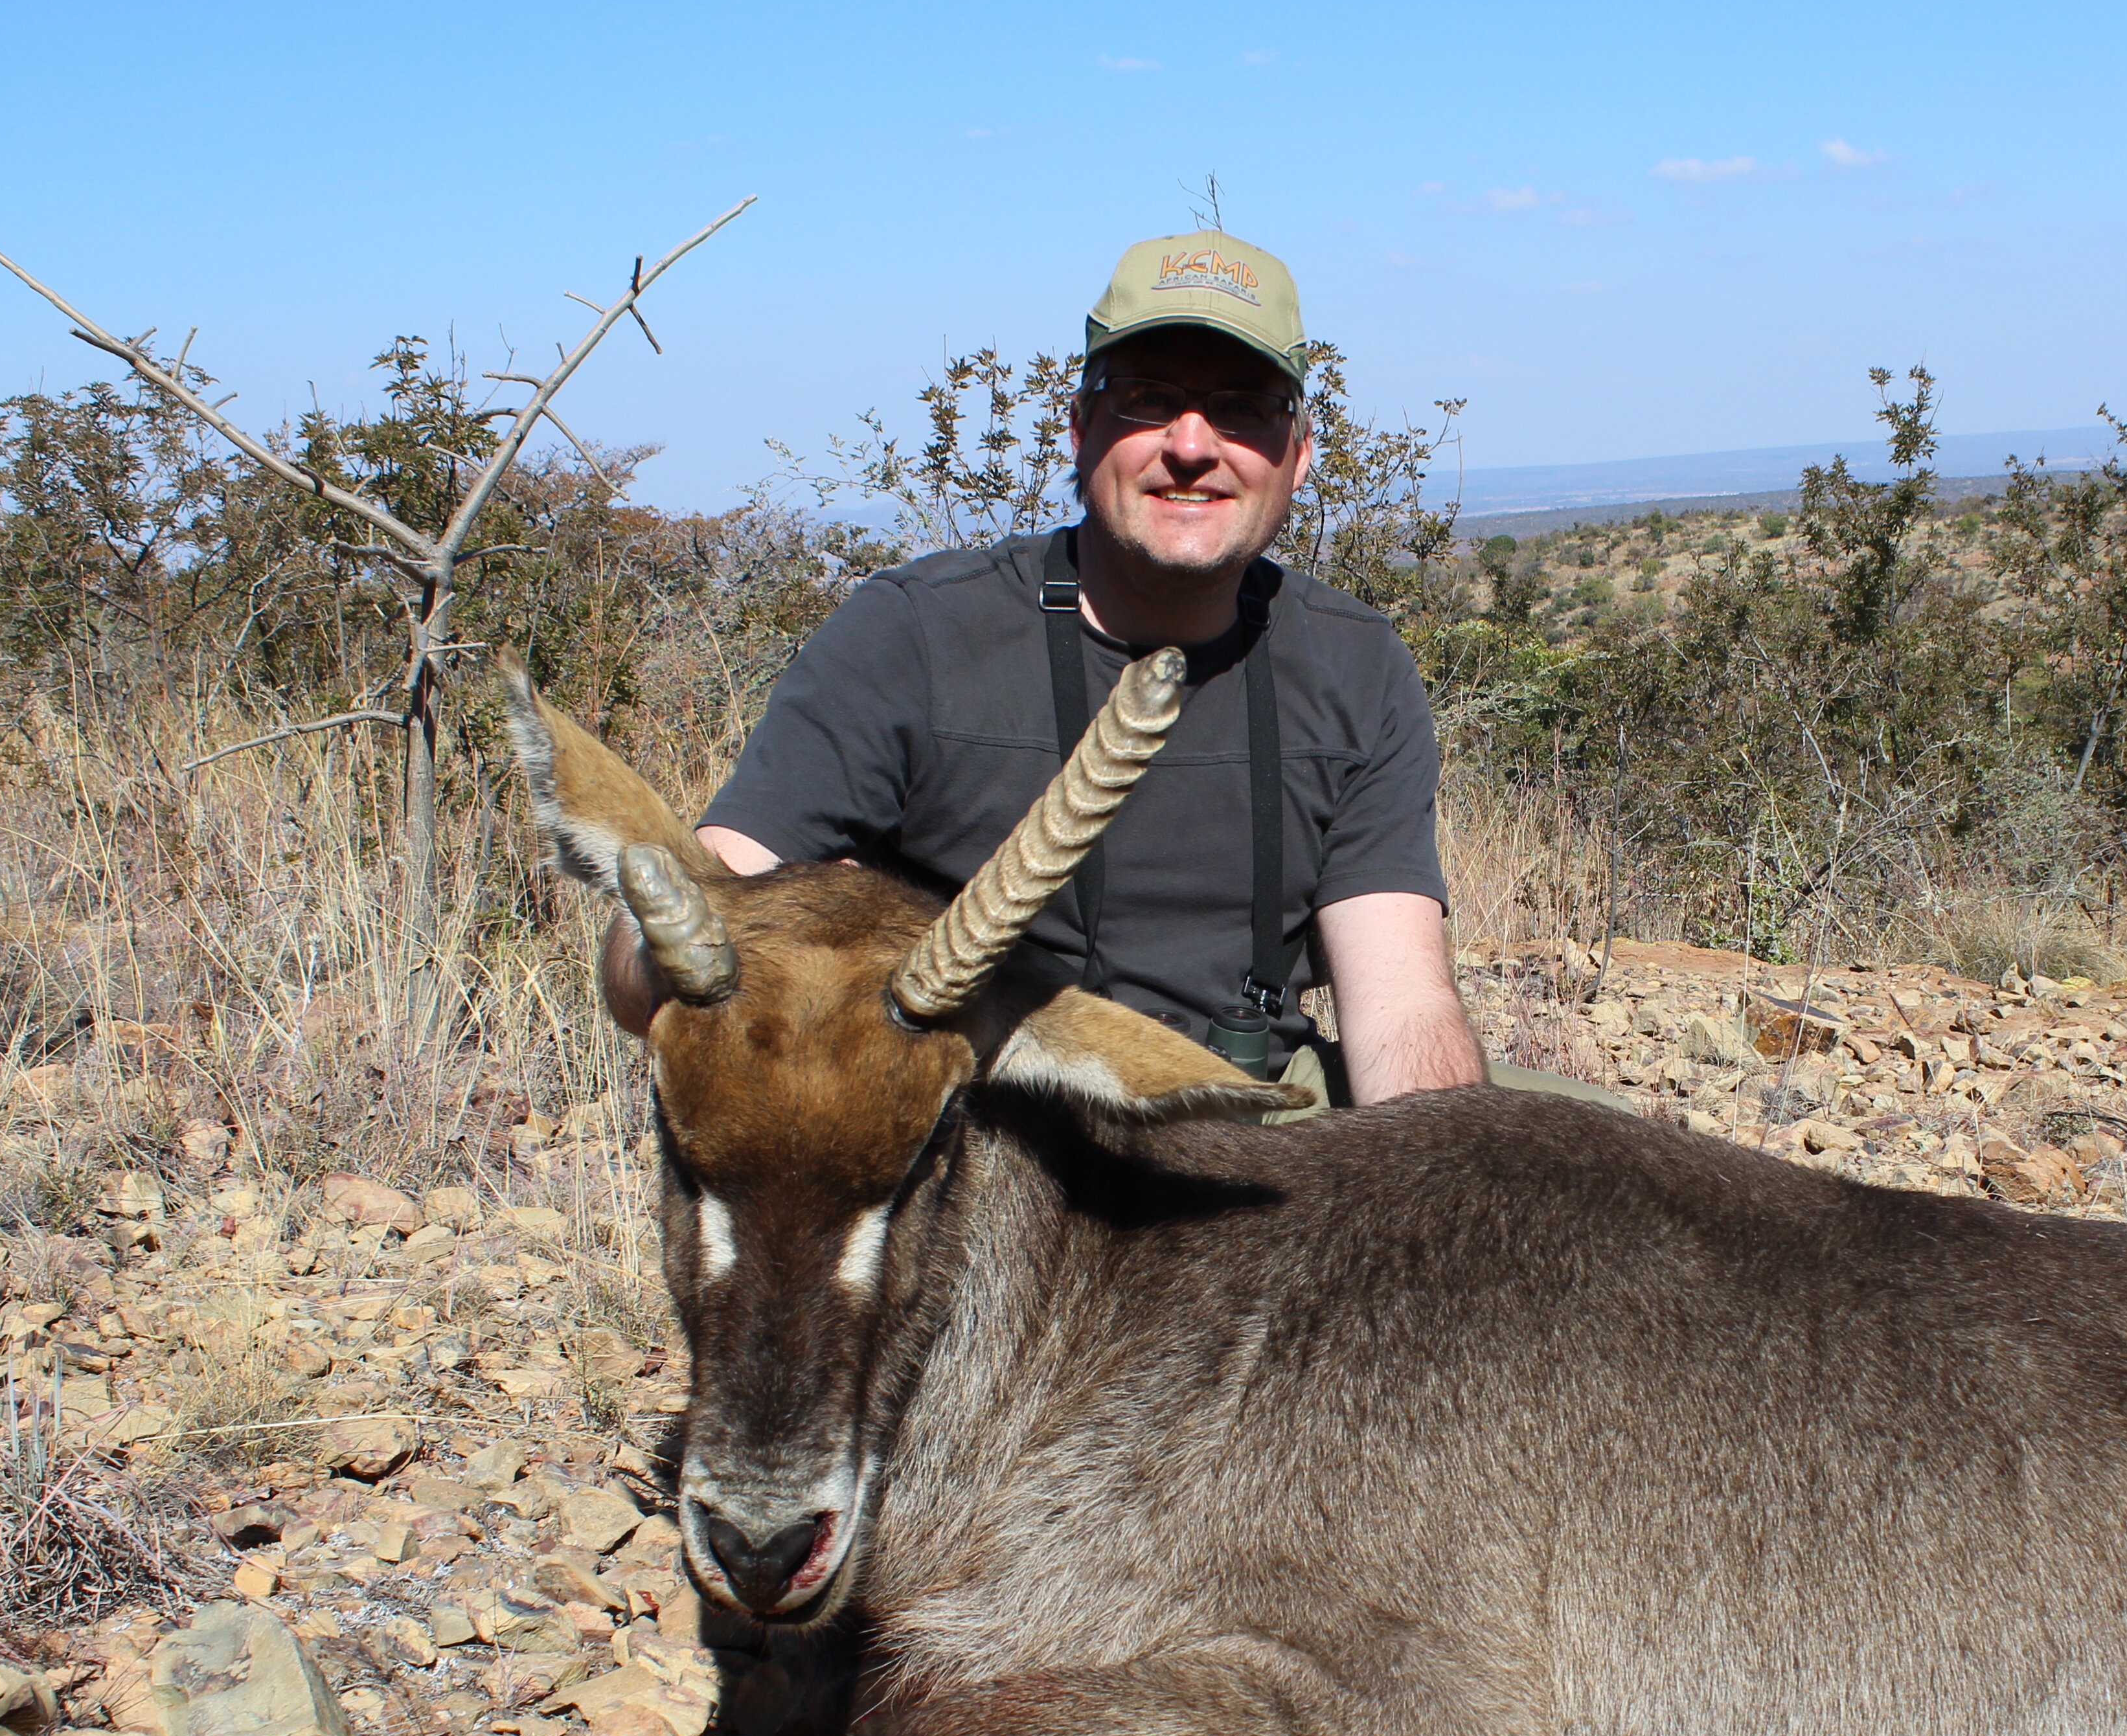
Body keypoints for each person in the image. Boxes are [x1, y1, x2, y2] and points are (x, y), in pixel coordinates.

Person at [620, 229, 1504, 1108]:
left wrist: (1450, 1198)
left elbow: (1402, 1008)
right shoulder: (912, 635)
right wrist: (741, 929)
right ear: (1079, 431)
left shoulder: (1355, 662)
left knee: (1585, 1162)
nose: (1192, 444)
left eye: (1242, 408)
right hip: (984, 1128)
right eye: (1147, 400)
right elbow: (682, 922)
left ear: (1298, 455)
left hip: (1251, 1106)